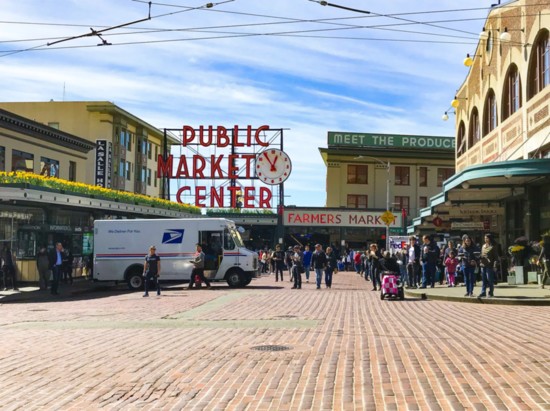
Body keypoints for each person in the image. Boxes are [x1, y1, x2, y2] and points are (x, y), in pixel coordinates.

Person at [478, 233, 500, 298]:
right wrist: (480, 257)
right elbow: (482, 254)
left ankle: (491, 292)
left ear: (490, 238)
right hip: (483, 265)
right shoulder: (483, 246)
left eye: (487, 238)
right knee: (484, 280)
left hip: (490, 265)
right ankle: (483, 292)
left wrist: (495, 265)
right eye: (485, 238)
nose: (485, 239)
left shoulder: (493, 246)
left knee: (490, 279)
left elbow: (496, 257)